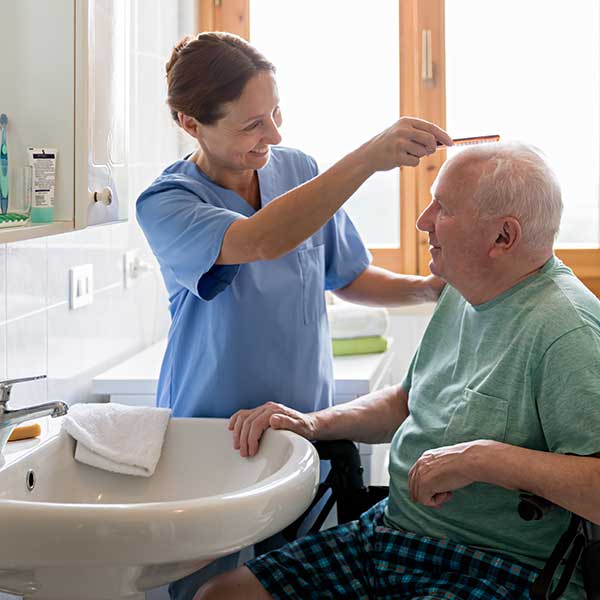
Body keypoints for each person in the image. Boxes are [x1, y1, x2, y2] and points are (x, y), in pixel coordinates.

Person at [194, 142, 600, 600]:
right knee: (219, 595)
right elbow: (408, 400)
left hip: (498, 566)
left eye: (443, 209)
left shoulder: (567, 330)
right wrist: (314, 422)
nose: (422, 221)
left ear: (503, 238)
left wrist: (482, 459)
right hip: (392, 534)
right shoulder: (463, 292)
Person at [136, 32, 452, 600]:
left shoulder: (298, 169)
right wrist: (367, 159)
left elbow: (347, 275)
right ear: (190, 123)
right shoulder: (168, 203)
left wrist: (428, 289)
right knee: (211, 588)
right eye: (252, 124)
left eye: (276, 113)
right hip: (212, 438)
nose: (274, 135)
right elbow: (258, 240)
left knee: (293, 577)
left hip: (303, 426)